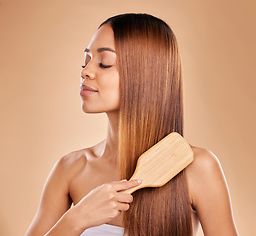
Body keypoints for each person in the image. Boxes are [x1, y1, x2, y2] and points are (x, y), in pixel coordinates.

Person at [26, 13, 238, 236]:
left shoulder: (197, 168)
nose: (86, 71)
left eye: (104, 63)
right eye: (86, 60)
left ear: (145, 74)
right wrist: (76, 219)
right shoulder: (70, 169)